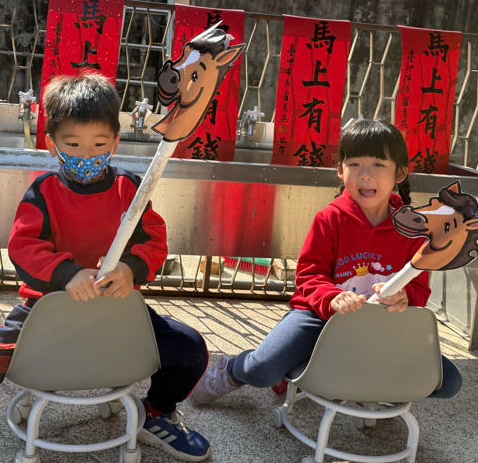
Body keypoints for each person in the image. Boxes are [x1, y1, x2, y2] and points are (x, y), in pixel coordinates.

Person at [0, 73, 212, 463]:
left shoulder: (130, 190)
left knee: (190, 348)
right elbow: (23, 247)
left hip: (115, 311)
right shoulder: (44, 192)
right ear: (52, 144)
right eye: (73, 144)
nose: (87, 154)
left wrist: (130, 269)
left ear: (115, 142)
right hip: (45, 309)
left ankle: (156, 413)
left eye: (99, 144)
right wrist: (67, 273)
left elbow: (154, 240)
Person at [191, 118, 463, 405]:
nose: (365, 175)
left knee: (447, 381)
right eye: (354, 164)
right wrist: (333, 297)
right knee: (263, 370)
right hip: (319, 317)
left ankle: (334, 370)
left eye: (378, 164)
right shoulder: (329, 218)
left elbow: (419, 288)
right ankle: (232, 370)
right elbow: (309, 276)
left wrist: (404, 297)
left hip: (381, 324)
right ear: (340, 170)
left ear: (400, 173)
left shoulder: (413, 228)